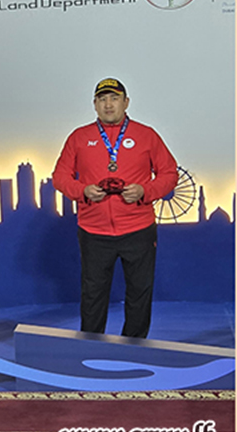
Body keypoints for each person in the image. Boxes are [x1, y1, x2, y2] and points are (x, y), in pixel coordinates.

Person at [51, 78, 178, 339]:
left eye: (114, 98)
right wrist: (82, 191)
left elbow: (169, 173)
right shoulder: (79, 137)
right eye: (102, 99)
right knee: (93, 294)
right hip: (93, 231)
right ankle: (91, 347)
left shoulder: (147, 135)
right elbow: (60, 176)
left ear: (126, 102)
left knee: (139, 292)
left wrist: (146, 191)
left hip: (138, 229)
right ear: (95, 105)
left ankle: (134, 347)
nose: (108, 104)